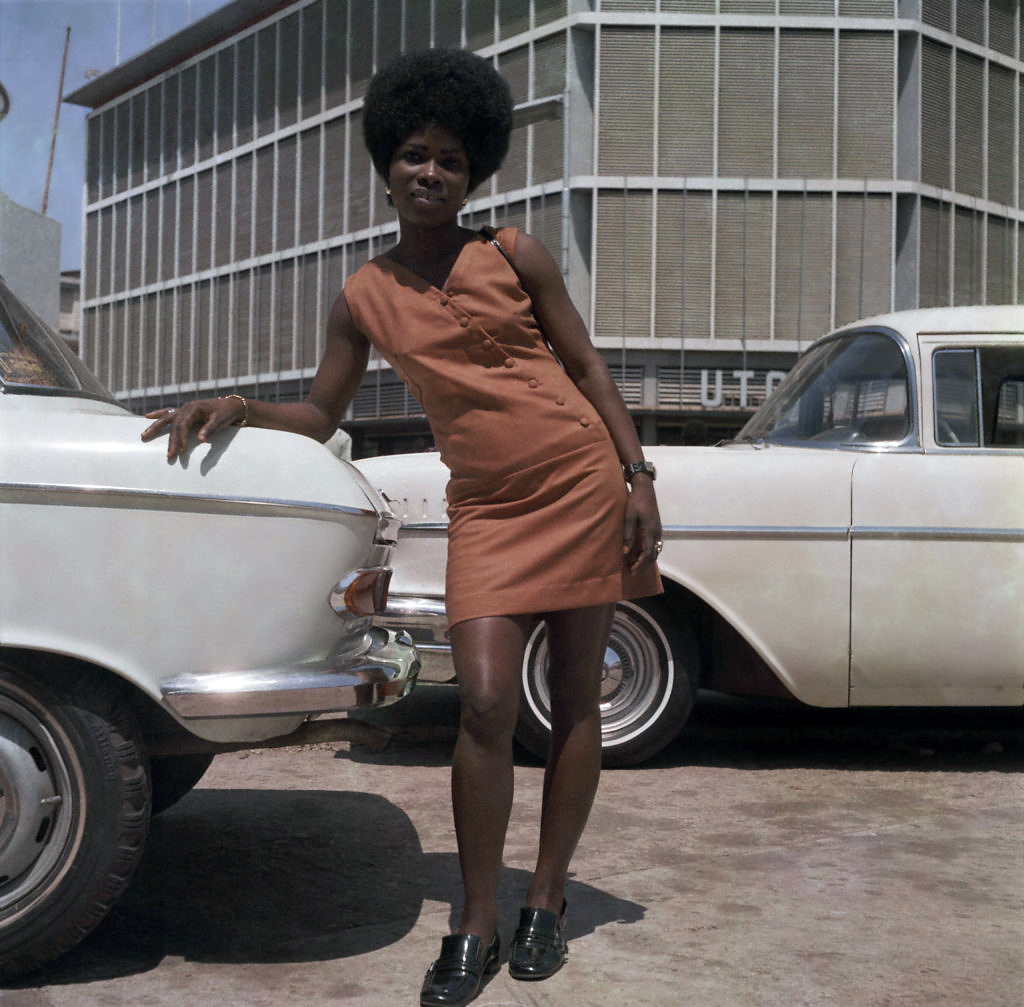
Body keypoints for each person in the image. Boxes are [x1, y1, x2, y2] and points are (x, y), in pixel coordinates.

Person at [142, 48, 662, 1007]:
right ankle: (475, 917)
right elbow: (322, 411)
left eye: (453, 161)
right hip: (489, 509)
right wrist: (240, 406)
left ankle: (545, 895)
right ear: (389, 159)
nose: (432, 173)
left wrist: (638, 474)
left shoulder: (513, 251)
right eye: (416, 154)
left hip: (583, 481)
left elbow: (587, 367)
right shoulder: (361, 296)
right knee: (486, 704)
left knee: (581, 695)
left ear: (476, 173)